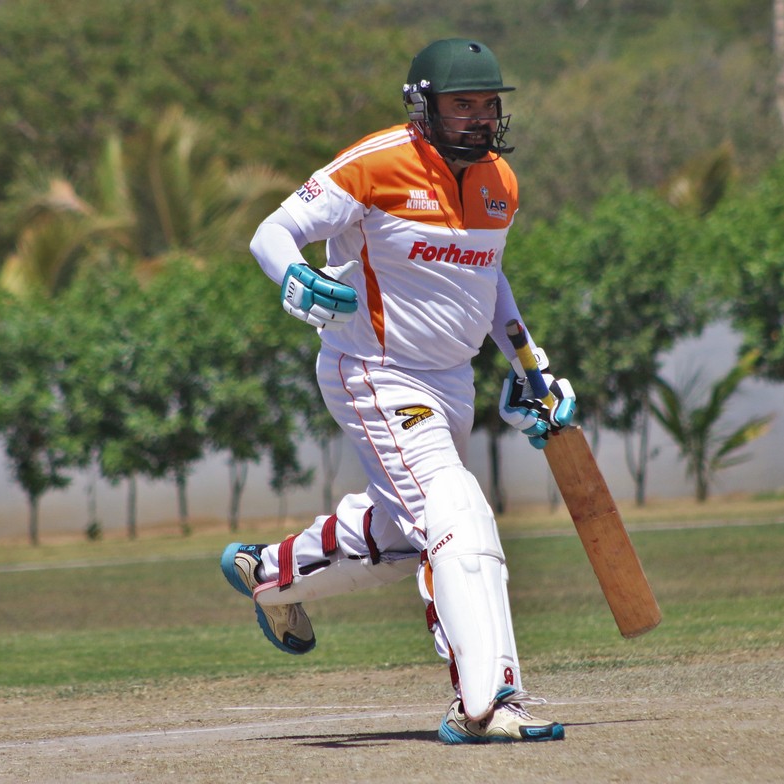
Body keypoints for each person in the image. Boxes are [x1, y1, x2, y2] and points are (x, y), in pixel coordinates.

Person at [220, 38, 576, 744]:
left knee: (408, 528)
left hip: (451, 381)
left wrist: (529, 364)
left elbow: (487, 279)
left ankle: (273, 573)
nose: (480, 117)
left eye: (489, 104)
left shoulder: (500, 181)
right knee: (454, 510)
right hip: (373, 370)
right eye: (463, 104)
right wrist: (296, 277)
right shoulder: (376, 163)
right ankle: (486, 700)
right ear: (424, 106)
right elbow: (274, 231)